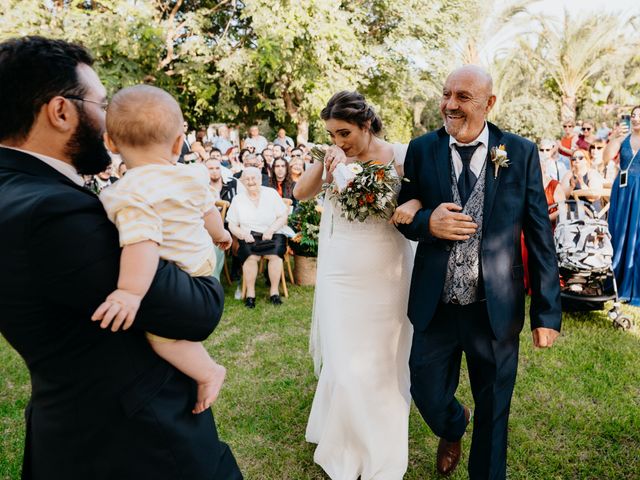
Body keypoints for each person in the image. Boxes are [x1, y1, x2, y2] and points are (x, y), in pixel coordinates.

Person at [0, 36, 242, 480]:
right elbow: (195, 313)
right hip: (138, 445)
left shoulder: (14, 190)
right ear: (61, 111)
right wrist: (207, 254)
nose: (107, 116)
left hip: (75, 430)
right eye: (101, 102)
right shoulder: (53, 212)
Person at [396, 65, 561, 480]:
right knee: (426, 391)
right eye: (446, 94)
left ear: (489, 104)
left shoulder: (519, 152)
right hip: (436, 306)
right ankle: (453, 424)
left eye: (463, 97)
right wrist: (427, 223)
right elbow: (405, 210)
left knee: (494, 411)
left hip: (494, 309)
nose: (450, 105)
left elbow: (540, 234)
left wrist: (547, 313)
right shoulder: (421, 149)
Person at [296, 91, 422, 479]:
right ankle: (345, 445)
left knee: (384, 363)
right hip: (340, 273)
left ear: (367, 124)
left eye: (344, 133)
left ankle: (380, 449)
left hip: (388, 273)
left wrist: (413, 205)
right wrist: (325, 163)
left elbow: (427, 195)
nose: (339, 141)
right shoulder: (331, 155)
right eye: (332, 134)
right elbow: (300, 193)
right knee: (344, 362)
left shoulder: (400, 154)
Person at [94, 85, 232, 415]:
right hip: (202, 261)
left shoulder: (127, 193)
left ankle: (208, 370)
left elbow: (142, 243)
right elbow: (207, 211)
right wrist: (221, 233)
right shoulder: (192, 176)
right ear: (177, 143)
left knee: (161, 339)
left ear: (110, 143)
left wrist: (129, 292)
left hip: (183, 273)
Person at [227, 167, 289, 308]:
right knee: (250, 257)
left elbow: (283, 215)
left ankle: (274, 292)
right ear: (242, 182)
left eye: (253, 178)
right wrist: (243, 234)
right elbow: (231, 224)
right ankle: (250, 294)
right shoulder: (238, 199)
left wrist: (271, 229)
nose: (250, 182)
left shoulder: (271, 194)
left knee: (275, 256)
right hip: (250, 236)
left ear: (260, 179)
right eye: (247, 179)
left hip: (273, 233)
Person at [605, 105, 640, 305]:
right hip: (622, 190)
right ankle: (615, 281)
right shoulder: (623, 140)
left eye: (639, 116)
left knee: (637, 235)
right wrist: (615, 138)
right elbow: (606, 157)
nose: (636, 119)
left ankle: (633, 286)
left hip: (639, 192)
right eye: (634, 115)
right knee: (618, 231)